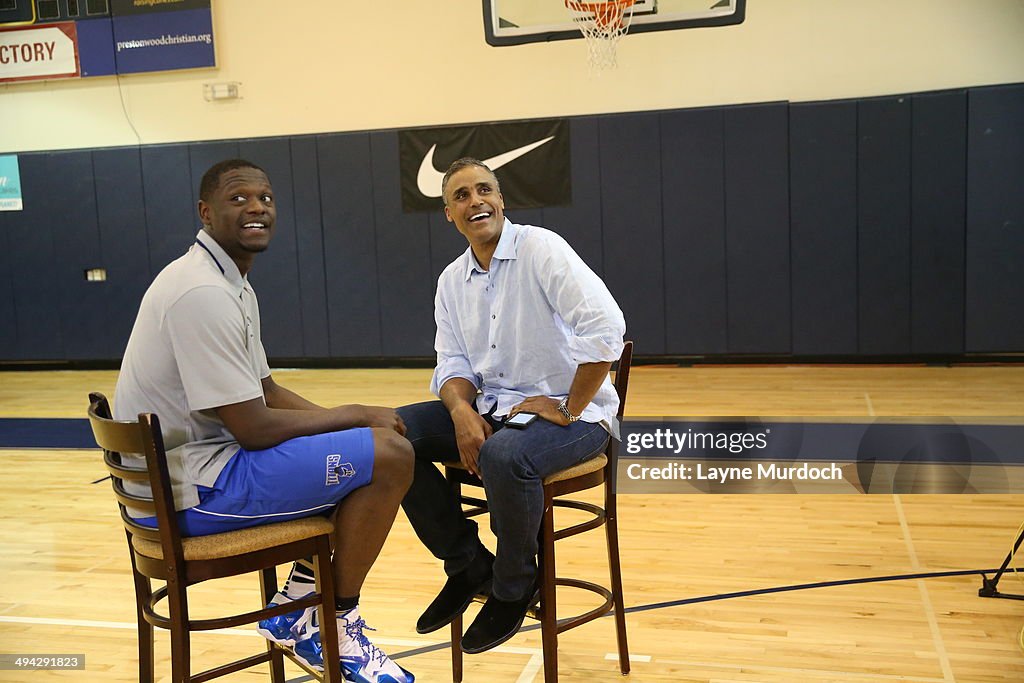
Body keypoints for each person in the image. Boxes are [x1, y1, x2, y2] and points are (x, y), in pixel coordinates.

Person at [114, 158, 415, 683]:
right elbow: (253, 427)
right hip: (186, 498)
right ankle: (330, 622)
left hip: (189, 476)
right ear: (206, 213)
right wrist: (356, 418)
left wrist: (348, 429)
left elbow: (266, 390)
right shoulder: (203, 293)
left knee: (367, 451)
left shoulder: (224, 280)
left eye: (266, 198)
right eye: (238, 198)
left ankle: (298, 606)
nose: (256, 207)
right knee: (389, 459)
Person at [398, 158, 625, 654]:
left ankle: (514, 584)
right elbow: (451, 362)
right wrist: (460, 412)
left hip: (579, 419)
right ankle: (466, 563)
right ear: (449, 215)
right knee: (391, 437)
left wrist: (569, 406)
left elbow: (606, 328)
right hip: (498, 409)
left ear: (502, 201)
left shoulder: (540, 249)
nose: (475, 200)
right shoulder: (450, 281)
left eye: (485, 190)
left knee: (505, 456)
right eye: (461, 195)